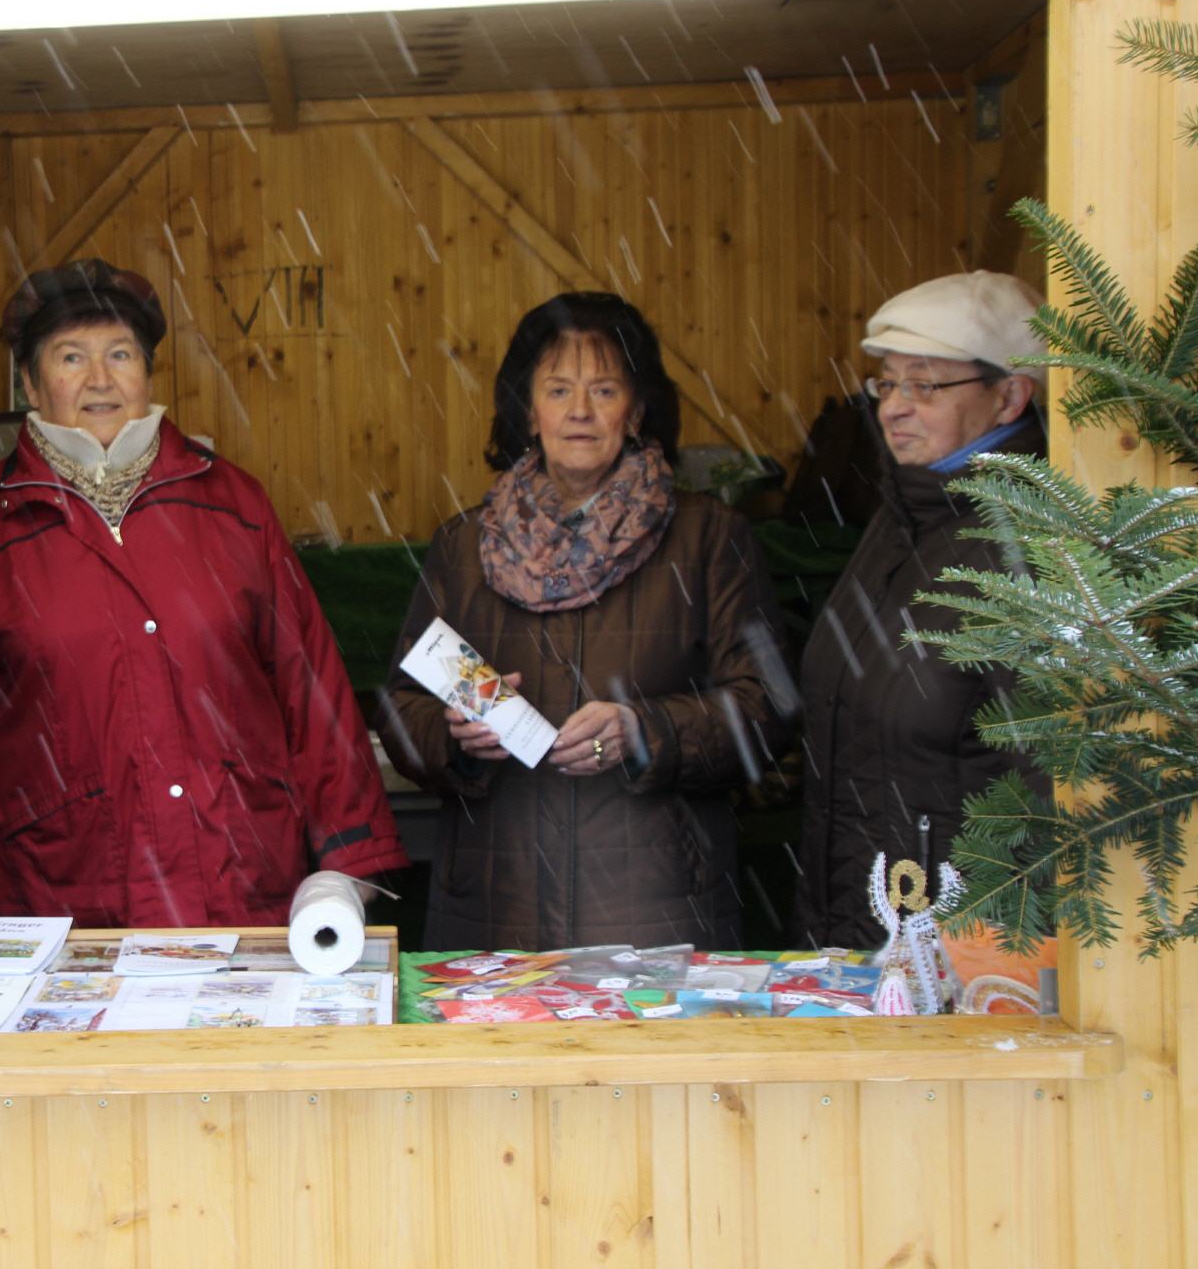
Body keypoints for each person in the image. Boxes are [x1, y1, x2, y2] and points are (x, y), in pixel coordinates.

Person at [0, 258, 407, 926]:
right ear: (33, 385)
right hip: (65, 905)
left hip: (241, 885)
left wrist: (346, 862)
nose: (100, 379)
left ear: (147, 375)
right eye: (71, 357)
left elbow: (311, 692)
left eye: (120, 353)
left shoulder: (233, 505)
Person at [379, 291, 790, 951]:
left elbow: (768, 708)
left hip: (654, 910)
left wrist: (643, 728)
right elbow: (404, 708)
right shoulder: (462, 547)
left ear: (638, 411)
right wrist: (454, 736)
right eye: (558, 389)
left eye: (603, 390)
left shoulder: (710, 538)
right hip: (495, 906)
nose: (578, 412)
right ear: (527, 411)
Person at [794, 269, 1049, 948]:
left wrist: (1000, 956)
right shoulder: (901, 516)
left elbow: (1050, 785)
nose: (893, 407)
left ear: (1009, 397)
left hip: (961, 950)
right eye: (888, 383)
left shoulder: (1028, 544)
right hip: (861, 932)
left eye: (926, 385)